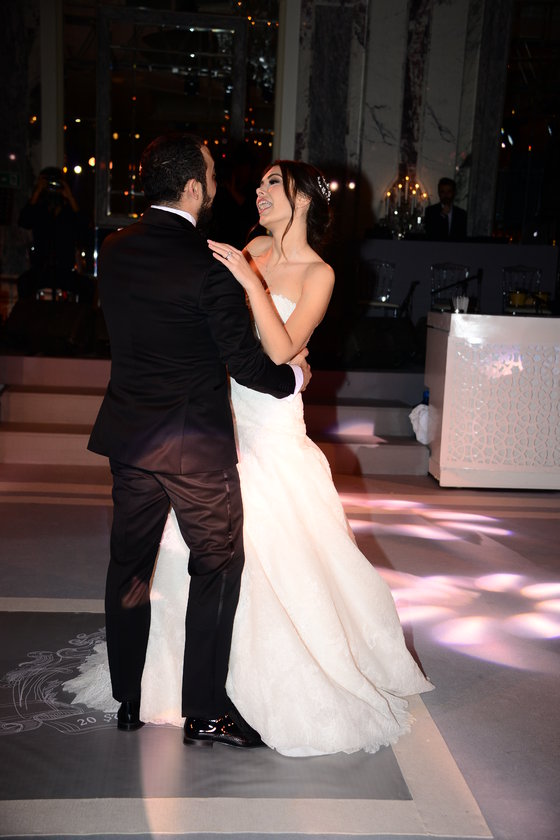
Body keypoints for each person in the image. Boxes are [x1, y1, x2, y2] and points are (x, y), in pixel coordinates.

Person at [66, 158, 433, 756]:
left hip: (270, 422)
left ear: (304, 199)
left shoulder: (318, 273)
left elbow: (283, 348)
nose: (258, 190)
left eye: (272, 183)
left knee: (259, 552)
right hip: (218, 413)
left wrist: (252, 286)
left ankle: (241, 687)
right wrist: (244, 285)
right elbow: (214, 325)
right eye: (259, 182)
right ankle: (195, 693)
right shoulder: (250, 248)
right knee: (206, 558)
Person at [83, 134, 310, 749]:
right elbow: (246, 364)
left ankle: (128, 700)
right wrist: (293, 379)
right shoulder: (210, 264)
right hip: (194, 450)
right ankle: (205, 711)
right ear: (192, 188)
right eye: (210, 176)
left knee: (129, 566)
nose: (216, 186)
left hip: (130, 439)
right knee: (217, 564)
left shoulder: (115, 248)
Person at [17, 166, 92, 303]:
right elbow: (24, 221)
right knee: (24, 283)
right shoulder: (39, 210)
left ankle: (77, 316)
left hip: (64, 270)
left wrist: (70, 197)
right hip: (41, 269)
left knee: (87, 287)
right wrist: (38, 191)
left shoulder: (69, 212)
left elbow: (84, 229)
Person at [424, 177, 467, 241]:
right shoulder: (431, 211)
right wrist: (442, 215)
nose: (446, 195)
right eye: (443, 192)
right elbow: (430, 232)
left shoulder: (461, 214)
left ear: (454, 193)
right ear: (439, 193)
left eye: (449, 192)